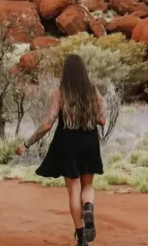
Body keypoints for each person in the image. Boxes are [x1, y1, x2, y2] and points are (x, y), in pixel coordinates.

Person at [16, 53, 105, 244]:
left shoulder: (60, 92)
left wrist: (27, 144)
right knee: (87, 185)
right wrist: (87, 115)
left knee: (74, 190)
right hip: (89, 141)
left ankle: (82, 238)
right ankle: (88, 207)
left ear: (66, 72)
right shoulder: (93, 91)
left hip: (67, 142)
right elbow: (102, 120)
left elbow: (48, 124)